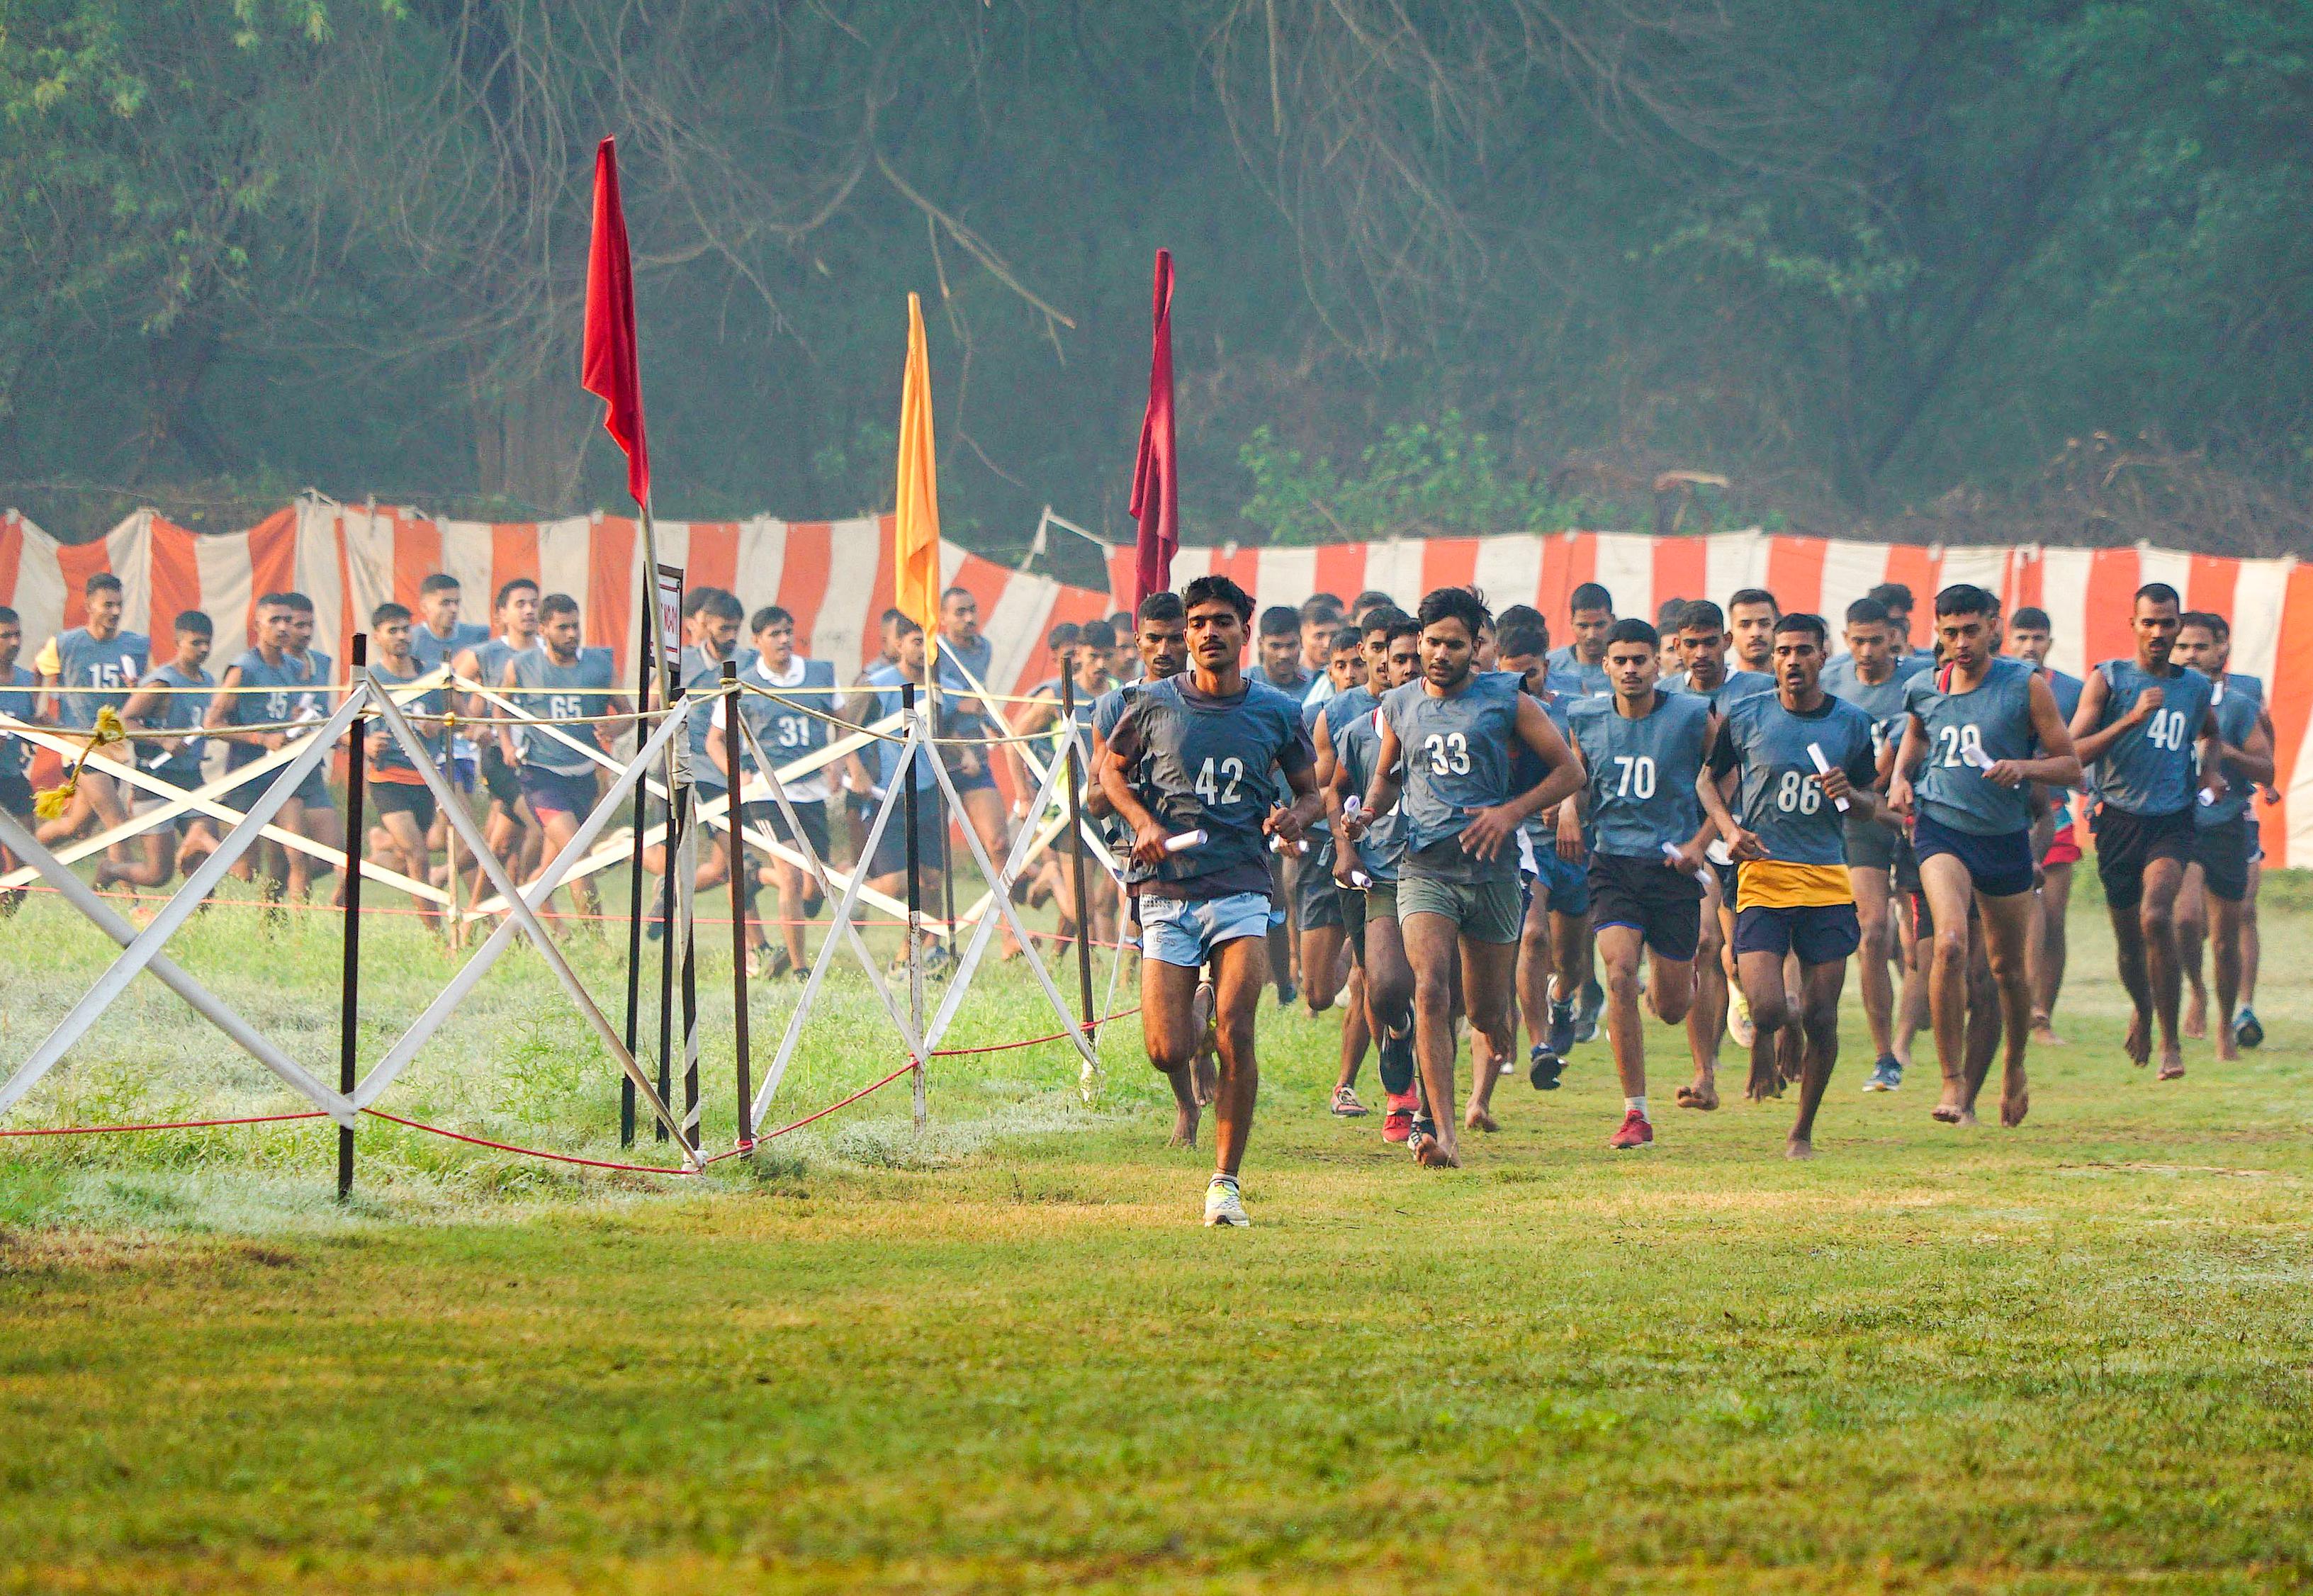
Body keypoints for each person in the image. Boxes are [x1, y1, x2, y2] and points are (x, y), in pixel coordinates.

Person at [1100, 574, 1322, 1226]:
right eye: (1197, 623)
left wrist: (1294, 817)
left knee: (1239, 1030)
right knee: (1166, 1050)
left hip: (1241, 884)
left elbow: (1311, 792)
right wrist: (1142, 823)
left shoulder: (1278, 710)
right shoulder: (1147, 704)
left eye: (1221, 622)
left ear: (1243, 632)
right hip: (1168, 887)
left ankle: (1225, 1182)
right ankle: (1192, 1018)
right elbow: (1110, 773)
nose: (1207, 634)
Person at [1341, 586, 1585, 1166]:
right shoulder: (1400, 703)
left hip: (1493, 873)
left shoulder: (1508, 699)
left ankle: (1498, 1028)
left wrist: (1510, 812)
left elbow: (1569, 771)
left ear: (1478, 646)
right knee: (1429, 990)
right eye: (1432, 643)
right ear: (1420, 641)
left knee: (1483, 1011)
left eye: (1455, 644)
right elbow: (1387, 776)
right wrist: (1369, 811)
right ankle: (1441, 1133)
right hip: (1424, 865)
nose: (1441, 654)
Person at [1885, 585, 2081, 1128]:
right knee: (1947, 942)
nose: (1961, 643)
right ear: (1938, 632)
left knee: (2008, 971)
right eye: (1950, 633)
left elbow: (2071, 767)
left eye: (1971, 630)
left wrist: (2024, 767)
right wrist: (1901, 779)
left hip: (2005, 837)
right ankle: (1953, 1081)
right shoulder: (1923, 685)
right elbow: (1916, 739)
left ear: (1995, 626)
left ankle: (2014, 1068)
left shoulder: (2025, 686)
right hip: (1941, 830)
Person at [1696, 612, 1879, 1158]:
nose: (1792, 661)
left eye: (1803, 651)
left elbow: (1870, 806)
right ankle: (1784, 1025)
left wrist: (1850, 793)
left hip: (1825, 879)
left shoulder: (1850, 723)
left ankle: (1801, 1131)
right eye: (1782, 652)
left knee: (1823, 1015)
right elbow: (1708, 780)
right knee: (1770, 1008)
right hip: (1762, 877)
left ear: (1825, 656)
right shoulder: (1747, 714)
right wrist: (1729, 830)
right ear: (1772, 659)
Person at [1560, 619, 1715, 1148]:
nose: (1630, 669)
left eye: (1640, 660)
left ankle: (1684, 974)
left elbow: (1727, 776)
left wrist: (1702, 841)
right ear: (1604, 666)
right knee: (1620, 973)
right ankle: (1636, 1114)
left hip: (1672, 868)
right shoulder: (1586, 717)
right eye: (1620, 660)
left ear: (1659, 662)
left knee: (1671, 1009)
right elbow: (1576, 777)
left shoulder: (1693, 715)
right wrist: (1566, 811)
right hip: (1613, 863)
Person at [2069, 583, 2223, 1081]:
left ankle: (2172, 1044)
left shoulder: (2195, 687)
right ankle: (2142, 1005)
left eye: (2168, 623)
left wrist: (2207, 773)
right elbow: (2073, 753)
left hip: (2172, 818)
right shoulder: (2109, 680)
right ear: (2133, 625)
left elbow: (2211, 735)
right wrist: (2130, 721)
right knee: (2130, 943)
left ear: (2179, 626)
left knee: (2157, 916)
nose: (2159, 632)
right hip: (2116, 819)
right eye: (2150, 622)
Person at [1665, 599, 1774, 1098]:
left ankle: (1767, 1045)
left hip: (1755, 839)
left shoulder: (1759, 691)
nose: (1702, 652)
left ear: (1727, 642)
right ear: (1677, 647)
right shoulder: (1664, 696)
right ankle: (1704, 1075)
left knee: (1745, 955)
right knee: (1704, 946)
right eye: (1692, 644)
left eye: (1711, 642)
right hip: (1698, 841)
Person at [1327, 612, 1422, 1140]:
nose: (1406, 667)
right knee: (1384, 987)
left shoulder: (1459, 722)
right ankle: (1398, 1035)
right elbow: (1337, 789)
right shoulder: (1356, 730)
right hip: (1381, 871)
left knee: (1443, 995)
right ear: (1379, 661)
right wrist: (1347, 843)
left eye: (1414, 657)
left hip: (1442, 870)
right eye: (1397, 658)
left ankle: (1418, 1109)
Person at [714, 604, 838, 979]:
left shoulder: (818, 674)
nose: (784, 640)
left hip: (812, 791)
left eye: (788, 632)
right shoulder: (744, 683)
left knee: (816, 887)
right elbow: (715, 741)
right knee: (794, 875)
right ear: (757, 641)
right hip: (769, 796)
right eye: (774, 634)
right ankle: (801, 968)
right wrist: (738, 776)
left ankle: (754, 877)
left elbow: (842, 722)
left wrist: (840, 761)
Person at [1822, 597, 1915, 1092]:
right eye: (1857, 640)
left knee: (1919, 944)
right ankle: (1885, 1055)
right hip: (1862, 815)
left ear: (1894, 638)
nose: (1866, 650)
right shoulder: (1834, 681)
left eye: (1876, 640)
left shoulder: (1919, 680)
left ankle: (1904, 1039)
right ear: (1844, 639)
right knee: (1873, 928)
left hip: (1920, 815)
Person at [2171, 612, 2274, 1060]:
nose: (2191, 655)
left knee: (2229, 931)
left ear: (2222, 651)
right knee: (2185, 919)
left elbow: (2266, 765)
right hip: (2178, 823)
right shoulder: (2161, 701)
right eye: (2183, 647)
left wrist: (2220, 751)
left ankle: (2228, 1024)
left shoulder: (2240, 704)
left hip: (2228, 822)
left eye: (2200, 647)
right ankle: (2195, 989)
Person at [1494, 611, 1589, 1084]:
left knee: (1571, 957)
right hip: (1522, 838)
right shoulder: (1494, 707)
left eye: (1528, 673)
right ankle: (1538, 1044)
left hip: (1572, 842)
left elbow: (1580, 764)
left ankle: (1563, 999)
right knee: (1530, 936)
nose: (1520, 683)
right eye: (1509, 674)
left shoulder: (1574, 706)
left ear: (1546, 665)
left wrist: (1570, 806)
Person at [500, 594, 626, 925]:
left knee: (551, 868)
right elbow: (500, 706)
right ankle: (595, 944)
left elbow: (629, 713)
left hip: (585, 776)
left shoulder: (599, 666)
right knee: (577, 856)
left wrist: (614, 728)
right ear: (543, 630)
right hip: (542, 775)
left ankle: (514, 920)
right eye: (562, 627)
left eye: (575, 626)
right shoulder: (522, 666)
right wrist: (505, 744)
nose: (572, 634)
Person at [202, 592, 320, 903]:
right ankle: (202, 841)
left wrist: (295, 723)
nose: (283, 628)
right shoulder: (244, 668)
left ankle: (295, 936)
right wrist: (261, 738)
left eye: (287, 621)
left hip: (282, 773)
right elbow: (213, 723)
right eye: (275, 621)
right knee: (246, 871)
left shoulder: (293, 668)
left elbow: (284, 710)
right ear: (258, 626)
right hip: (248, 771)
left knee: (297, 854)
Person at [2003, 607, 2086, 1045]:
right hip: (2005, 817)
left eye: (2038, 637)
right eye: (2022, 637)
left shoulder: (2071, 690)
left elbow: (2080, 752)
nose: (2030, 646)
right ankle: (2005, 1008)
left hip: (2056, 813)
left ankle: (2041, 1016)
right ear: (2008, 642)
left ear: (2050, 643)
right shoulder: (1996, 684)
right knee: (2014, 918)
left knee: (2051, 917)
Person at [850, 614, 948, 974]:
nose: (924, 650)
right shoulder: (877, 685)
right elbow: (848, 729)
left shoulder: (941, 687)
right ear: (898, 645)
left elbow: (949, 733)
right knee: (896, 883)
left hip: (929, 793)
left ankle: (922, 950)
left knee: (932, 878)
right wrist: (855, 769)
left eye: (929, 642)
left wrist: (963, 753)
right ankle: (850, 886)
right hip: (887, 793)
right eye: (916, 641)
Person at [33, 571, 149, 858]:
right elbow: (37, 672)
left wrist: (138, 690)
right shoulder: (65, 644)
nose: (115, 612)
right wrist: (38, 712)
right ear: (88, 606)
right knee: (117, 823)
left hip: (115, 747)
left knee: (76, 826)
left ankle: (23, 855)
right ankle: (132, 901)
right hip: (79, 747)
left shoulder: (135, 646)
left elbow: (148, 689)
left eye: (119, 605)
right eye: (108, 605)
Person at [106, 609, 218, 892]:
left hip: (191, 777)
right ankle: (108, 870)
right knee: (158, 874)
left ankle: (197, 921)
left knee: (205, 859)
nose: (203, 649)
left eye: (207, 643)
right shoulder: (162, 682)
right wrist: (163, 740)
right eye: (196, 643)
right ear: (179, 642)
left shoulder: (209, 682)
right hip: (154, 779)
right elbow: (123, 722)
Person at [361, 602, 451, 925]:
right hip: (388, 778)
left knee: (421, 850)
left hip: (426, 778)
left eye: (405, 629)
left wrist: (438, 725)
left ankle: (369, 859)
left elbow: (461, 716)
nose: (401, 637)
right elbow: (340, 729)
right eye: (393, 631)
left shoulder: (431, 674)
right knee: (418, 855)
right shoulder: (369, 678)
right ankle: (437, 936)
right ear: (377, 637)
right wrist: (365, 742)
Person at [930, 585, 1014, 901]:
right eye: (960, 613)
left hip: (975, 755)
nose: (969, 619)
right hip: (936, 756)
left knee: (998, 844)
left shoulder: (983, 649)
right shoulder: (933, 649)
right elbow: (927, 699)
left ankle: (1008, 931)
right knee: (930, 860)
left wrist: (1000, 727)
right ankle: (927, 937)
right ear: (943, 618)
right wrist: (955, 703)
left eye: (972, 611)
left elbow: (979, 697)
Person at [454, 578, 541, 875]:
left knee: (502, 842)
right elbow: (446, 688)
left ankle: (460, 893)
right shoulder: (485, 654)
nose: (529, 610)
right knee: (537, 827)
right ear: (502, 614)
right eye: (521, 604)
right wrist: (470, 726)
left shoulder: (549, 650)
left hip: (542, 757)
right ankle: (528, 900)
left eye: (534, 603)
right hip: (501, 757)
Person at [276, 591, 346, 899]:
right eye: (297, 625)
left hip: (312, 769)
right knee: (297, 857)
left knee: (337, 854)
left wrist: (339, 735)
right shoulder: (274, 665)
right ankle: (299, 939)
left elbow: (324, 712)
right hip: (281, 770)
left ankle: (279, 886)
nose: (305, 632)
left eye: (309, 625)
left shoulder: (320, 663)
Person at [0, 607, 43, 897]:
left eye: (17, 635)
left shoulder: (27, 680)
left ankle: (7, 923)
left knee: (26, 862)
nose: (15, 642)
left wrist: (43, 728)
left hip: (13, 777)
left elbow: (27, 724)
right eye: (6, 636)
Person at [407, 573, 491, 673]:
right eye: (445, 603)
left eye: (456, 603)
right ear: (424, 607)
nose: (454, 609)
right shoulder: (410, 640)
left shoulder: (478, 636)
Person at [1548, 583, 1614, 697]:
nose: (1591, 635)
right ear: (1572, 623)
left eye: (1599, 625)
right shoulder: (1549, 667)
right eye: (1583, 626)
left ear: (1612, 621)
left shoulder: (1626, 669)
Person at [1727, 588, 1781, 676]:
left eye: (1764, 624)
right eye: (1745, 625)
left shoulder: (1794, 684)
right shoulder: (1718, 684)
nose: (1755, 633)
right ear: (1731, 636)